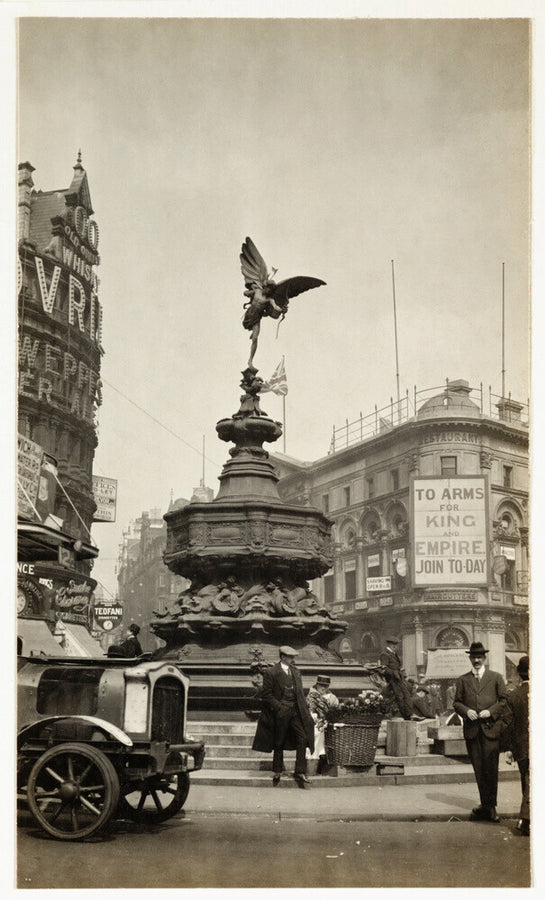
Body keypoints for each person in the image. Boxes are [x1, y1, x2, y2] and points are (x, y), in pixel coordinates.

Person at [454, 641, 508, 823]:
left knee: (491, 770)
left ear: (484, 658)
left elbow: (503, 701)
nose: (476, 660)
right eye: (473, 657)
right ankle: (485, 805)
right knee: (479, 769)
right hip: (472, 731)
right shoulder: (463, 680)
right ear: (470, 658)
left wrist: (490, 711)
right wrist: (465, 711)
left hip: (491, 730)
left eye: (479, 657)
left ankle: (491, 807)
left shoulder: (496, 678)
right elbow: (456, 702)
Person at [251, 646, 315, 788]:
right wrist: (279, 707)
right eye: (290, 657)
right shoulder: (271, 672)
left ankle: (300, 771)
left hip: (295, 711)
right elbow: (266, 694)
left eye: (293, 657)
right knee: (279, 741)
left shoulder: (296, 672)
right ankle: (277, 770)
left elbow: (299, 693)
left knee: (303, 738)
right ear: (283, 657)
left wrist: (304, 708)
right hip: (280, 712)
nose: (293, 659)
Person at [505, 655, 529, 836]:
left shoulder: (513, 696)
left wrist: (509, 748)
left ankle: (527, 819)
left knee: (526, 780)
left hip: (522, 746)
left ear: (519, 674)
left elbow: (509, 725)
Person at [306, 675, 339, 772]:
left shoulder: (332, 697)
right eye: (321, 685)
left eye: (326, 686)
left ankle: (324, 767)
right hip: (314, 724)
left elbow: (336, 711)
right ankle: (311, 766)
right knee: (316, 735)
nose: (323, 688)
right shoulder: (311, 696)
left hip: (327, 724)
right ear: (317, 685)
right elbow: (308, 711)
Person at [379, 636, 413, 720]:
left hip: (399, 678)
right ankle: (406, 715)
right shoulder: (385, 654)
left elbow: (397, 667)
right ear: (392, 645)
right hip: (392, 679)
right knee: (400, 696)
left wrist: (401, 672)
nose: (397, 647)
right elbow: (384, 668)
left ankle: (409, 713)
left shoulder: (394, 654)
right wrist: (394, 673)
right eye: (396, 645)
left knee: (406, 694)